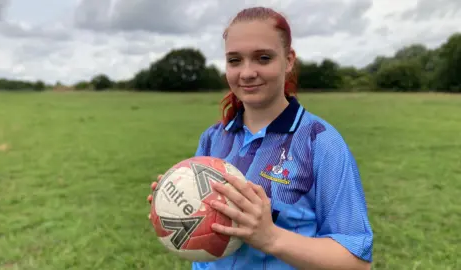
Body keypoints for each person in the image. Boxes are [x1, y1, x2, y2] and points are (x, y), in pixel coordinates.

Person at [147, 6, 373, 270]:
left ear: (289, 61)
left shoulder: (320, 143)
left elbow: (356, 262)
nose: (246, 72)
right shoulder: (213, 138)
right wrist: (174, 205)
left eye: (263, 58)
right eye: (234, 60)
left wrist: (271, 237)